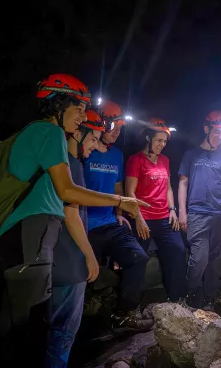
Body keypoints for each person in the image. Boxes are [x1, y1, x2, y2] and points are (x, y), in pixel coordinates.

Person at [0, 73, 148, 366]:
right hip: (30, 232)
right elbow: (68, 193)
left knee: (26, 327)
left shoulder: (36, 133)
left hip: (28, 234)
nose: (82, 116)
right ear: (57, 104)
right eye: (77, 108)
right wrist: (120, 201)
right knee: (32, 331)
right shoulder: (49, 133)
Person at [84, 100, 153, 334]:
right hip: (84, 224)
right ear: (100, 123)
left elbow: (118, 190)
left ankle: (123, 314)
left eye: (121, 128)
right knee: (85, 272)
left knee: (138, 258)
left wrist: (119, 214)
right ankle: (81, 320)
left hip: (109, 222)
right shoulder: (85, 150)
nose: (117, 132)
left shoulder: (116, 155)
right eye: (113, 126)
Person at [45, 109, 104, 367]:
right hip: (69, 263)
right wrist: (90, 256)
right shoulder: (73, 165)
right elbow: (72, 214)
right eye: (93, 139)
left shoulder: (54, 161)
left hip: (49, 259)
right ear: (77, 134)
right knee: (63, 331)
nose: (97, 145)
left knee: (46, 329)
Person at [178, 110, 221, 310]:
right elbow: (183, 183)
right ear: (206, 129)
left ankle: (210, 298)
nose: (220, 137)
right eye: (216, 132)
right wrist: (182, 212)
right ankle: (191, 293)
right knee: (200, 257)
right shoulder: (191, 155)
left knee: (215, 258)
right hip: (197, 213)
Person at [125, 118, 186, 303]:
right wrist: (138, 218)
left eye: (165, 141)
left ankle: (175, 300)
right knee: (137, 260)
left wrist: (173, 209)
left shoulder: (165, 160)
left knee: (178, 250)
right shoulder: (136, 160)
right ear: (148, 138)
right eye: (159, 140)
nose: (162, 144)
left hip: (163, 217)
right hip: (143, 218)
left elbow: (168, 188)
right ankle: (129, 307)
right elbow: (130, 192)